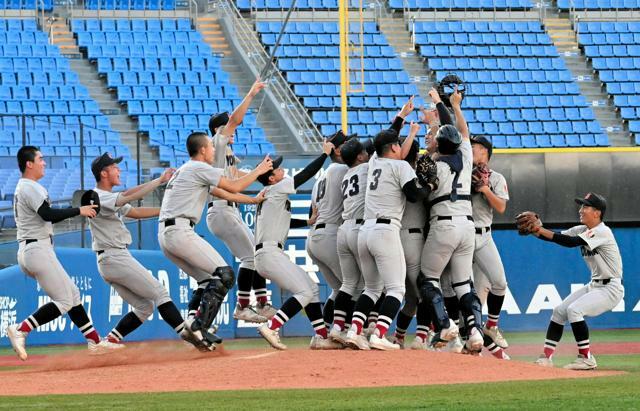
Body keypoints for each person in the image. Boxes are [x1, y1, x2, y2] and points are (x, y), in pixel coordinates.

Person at [87, 153, 214, 351]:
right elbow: (129, 195)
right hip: (114, 256)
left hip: (109, 259)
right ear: (103, 173)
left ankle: (108, 342)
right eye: (114, 167)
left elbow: (135, 212)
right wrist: (159, 180)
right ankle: (192, 340)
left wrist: (165, 211)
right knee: (161, 294)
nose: (118, 170)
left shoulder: (106, 198)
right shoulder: (100, 196)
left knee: (144, 307)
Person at [6, 146, 121, 361]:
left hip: (33, 248)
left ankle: (95, 342)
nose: (44, 162)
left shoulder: (27, 187)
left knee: (73, 295)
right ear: (29, 164)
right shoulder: (30, 186)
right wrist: (79, 210)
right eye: (40, 159)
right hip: (37, 249)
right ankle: (21, 329)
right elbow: (48, 214)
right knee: (65, 300)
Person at [158, 132, 272, 346]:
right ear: (202, 150)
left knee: (206, 280)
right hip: (180, 230)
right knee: (225, 275)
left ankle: (193, 326)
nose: (213, 149)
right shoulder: (198, 167)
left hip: (167, 234)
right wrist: (259, 171)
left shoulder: (188, 169)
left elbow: (225, 194)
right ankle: (197, 328)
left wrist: (252, 200)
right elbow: (234, 186)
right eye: (210, 146)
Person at [346, 121, 437, 351]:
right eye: (398, 144)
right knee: (396, 289)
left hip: (364, 231)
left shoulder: (375, 161)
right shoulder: (401, 167)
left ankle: (354, 331)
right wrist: (430, 185)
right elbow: (414, 195)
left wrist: (409, 130)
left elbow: (387, 142)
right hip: (385, 230)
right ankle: (379, 334)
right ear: (395, 148)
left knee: (372, 289)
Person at [255, 140, 345, 350]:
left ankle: (322, 335)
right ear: (271, 178)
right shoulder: (276, 189)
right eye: (277, 169)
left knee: (312, 290)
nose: (281, 169)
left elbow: (284, 220)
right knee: (304, 292)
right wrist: (324, 155)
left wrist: (306, 222)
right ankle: (272, 326)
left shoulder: (272, 194)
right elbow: (304, 175)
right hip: (270, 253)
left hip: (268, 252)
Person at [417, 87, 484, 352]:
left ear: (439, 144)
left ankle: (445, 325)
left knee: (428, 279)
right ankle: (476, 333)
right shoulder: (466, 158)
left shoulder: (433, 164)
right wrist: (451, 105)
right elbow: (460, 130)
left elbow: (420, 191)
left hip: (443, 222)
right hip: (468, 225)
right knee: (463, 284)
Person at [207, 79, 277, 324]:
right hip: (220, 210)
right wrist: (251, 92)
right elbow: (235, 119)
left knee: (254, 256)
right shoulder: (216, 145)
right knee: (251, 258)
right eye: (226, 125)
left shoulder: (227, 156)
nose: (232, 127)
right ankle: (244, 306)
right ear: (218, 130)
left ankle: (261, 302)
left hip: (228, 210)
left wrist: (254, 191)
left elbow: (236, 182)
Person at [529, 193, 623, 370]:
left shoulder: (603, 231)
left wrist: (539, 229)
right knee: (559, 311)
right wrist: (535, 231)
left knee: (574, 310)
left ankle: (586, 358)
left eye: (585, 207)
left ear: (597, 213)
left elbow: (571, 242)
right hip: (595, 285)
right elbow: (557, 237)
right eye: (581, 206)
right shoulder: (582, 229)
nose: (580, 210)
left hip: (611, 288)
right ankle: (546, 357)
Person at [470, 136, 510, 350]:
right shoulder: (461, 172)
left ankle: (491, 326)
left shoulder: (496, 177)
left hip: (484, 236)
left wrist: (485, 189)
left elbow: (501, 207)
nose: (470, 149)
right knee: (460, 291)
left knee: (499, 283)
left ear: (485, 151)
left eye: (474, 147)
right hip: (463, 235)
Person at [329, 138, 370, 344]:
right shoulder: (365, 169)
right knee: (370, 286)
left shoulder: (347, 173)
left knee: (348, 284)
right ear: (360, 156)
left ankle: (337, 327)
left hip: (343, 230)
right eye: (364, 152)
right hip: (359, 228)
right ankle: (358, 330)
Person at [306, 130, 348, 329]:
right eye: (347, 144)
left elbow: (310, 214)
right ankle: (347, 331)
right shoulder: (342, 170)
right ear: (338, 150)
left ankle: (322, 334)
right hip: (330, 235)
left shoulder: (320, 178)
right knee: (353, 287)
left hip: (314, 237)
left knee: (338, 289)